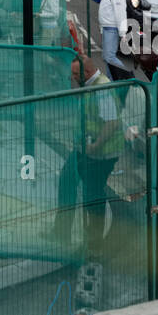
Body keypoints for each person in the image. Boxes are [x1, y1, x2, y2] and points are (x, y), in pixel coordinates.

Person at [52, 54, 125, 259]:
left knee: (92, 195)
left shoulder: (102, 89)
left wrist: (96, 145)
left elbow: (112, 122)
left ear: (87, 73)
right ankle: (61, 233)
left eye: (75, 74)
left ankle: (94, 244)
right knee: (67, 180)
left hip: (101, 153)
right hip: (85, 149)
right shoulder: (87, 85)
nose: (73, 78)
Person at [97, 0, 132, 83]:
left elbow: (120, 13)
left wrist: (122, 33)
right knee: (107, 58)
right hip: (107, 29)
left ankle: (128, 77)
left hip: (112, 29)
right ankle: (111, 80)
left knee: (110, 57)